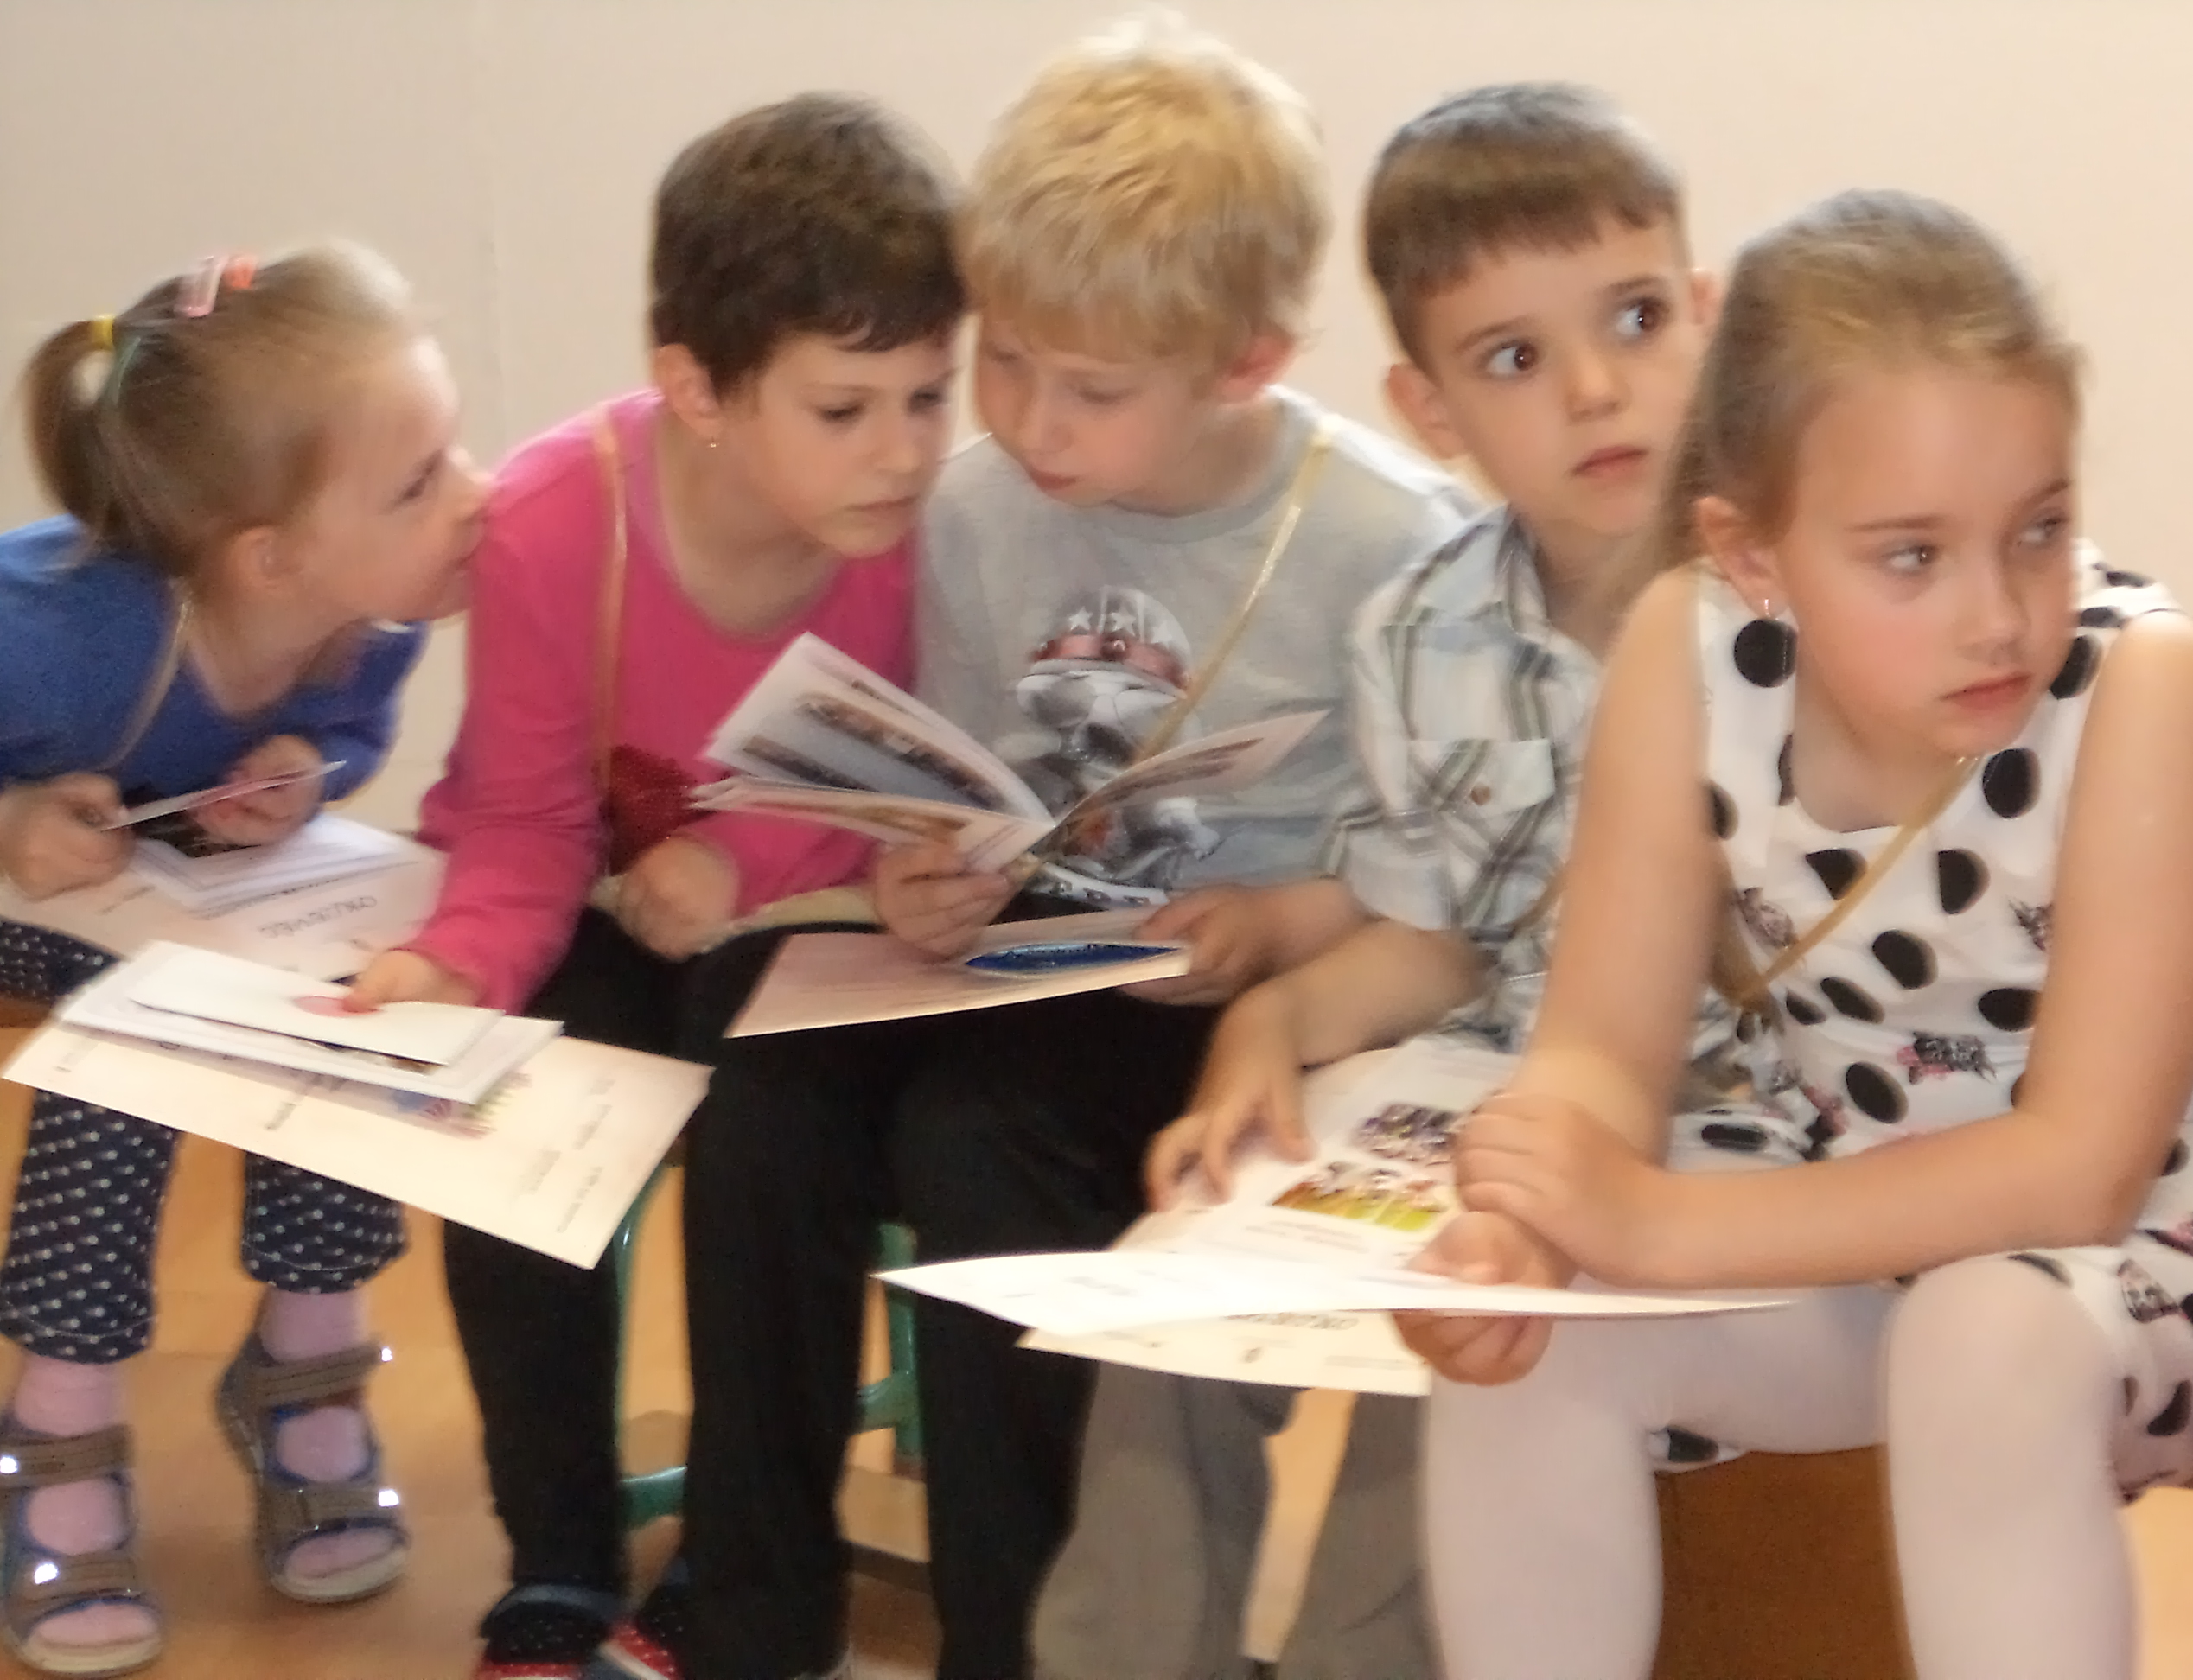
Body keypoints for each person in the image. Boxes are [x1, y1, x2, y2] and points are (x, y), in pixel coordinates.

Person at [676, 19, 1472, 1679]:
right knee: (763, 1109)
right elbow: (966, 785)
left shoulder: (1390, 544)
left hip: (1257, 997)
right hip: (1031, 953)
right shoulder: (977, 511)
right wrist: (921, 877)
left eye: (1093, 389)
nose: (1031, 420)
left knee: (984, 1145)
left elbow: (1448, 872)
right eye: (1009, 360)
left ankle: (1027, 1642)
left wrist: (1282, 920)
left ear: (1246, 360)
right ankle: (748, 1614)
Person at [1402, 189, 2193, 1680]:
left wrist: (1656, 1223)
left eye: (2039, 532)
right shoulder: (1686, 646)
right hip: (1856, 1202)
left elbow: (2080, 1169)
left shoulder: (2147, 691)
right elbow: (1602, 1046)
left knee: (1982, 1337)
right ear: (1752, 555)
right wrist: (1527, 1219)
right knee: (1538, 1326)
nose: (1998, 615)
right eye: (1913, 557)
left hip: (2167, 1238)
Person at [1031, 83, 1731, 1680]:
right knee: (1173, 1292)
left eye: (1635, 319)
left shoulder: (1789, 597)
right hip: (1473, 1082)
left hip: (1704, 1116)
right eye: (1515, 358)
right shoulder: (1422, 628)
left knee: (1456, 1336)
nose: (1597, 388)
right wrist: (1271, 1023)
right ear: (1431, 410)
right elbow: (1434, 940)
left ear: (1705, 313)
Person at [343, 96, 964, 1680]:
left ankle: (740, 1564)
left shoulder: (931, 538)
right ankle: (557, 1555)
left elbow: (912, 792)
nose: (905, 450)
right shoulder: (560, 523)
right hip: (591, 908)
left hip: (809, 924)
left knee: (778, 1128)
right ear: (695, 388)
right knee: (514, 1096)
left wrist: (744, 860)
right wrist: (457, 970)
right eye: (846, 408)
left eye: (930, 394)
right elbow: (526, 820)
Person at [0, 245, 487, 1677]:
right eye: (419, 482)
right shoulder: (60, 632)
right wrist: (12, 819)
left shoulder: (369, 626)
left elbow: (349, 740)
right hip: (39, 891)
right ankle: (58, 1409)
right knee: (135, 1037)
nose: (473, 495)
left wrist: (305, 772)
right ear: (270, 558)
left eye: (455, 450)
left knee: (352, 994)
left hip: (174, 894)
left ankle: (305, 1357)